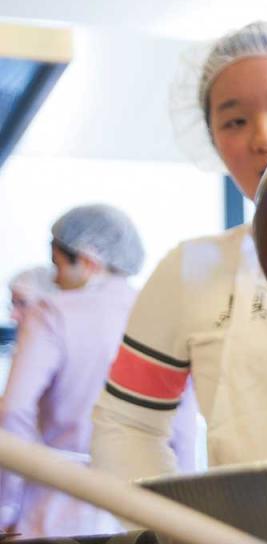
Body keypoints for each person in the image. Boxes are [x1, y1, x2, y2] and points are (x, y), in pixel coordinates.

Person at [91, 22, 267, 481]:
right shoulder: (195, 269)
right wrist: (175, 529)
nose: (265, 137)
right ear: (214, 143)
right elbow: (127, 424)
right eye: (234, 121)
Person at [0, 205, 197, 538]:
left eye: (58, 265)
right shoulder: (161, 312)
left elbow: (14, 412)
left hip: (56, 506)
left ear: (88, 261)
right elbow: (182, 427)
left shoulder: (51, 314)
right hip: (143, 510)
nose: (56, 278)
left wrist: (6, 504)